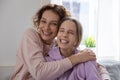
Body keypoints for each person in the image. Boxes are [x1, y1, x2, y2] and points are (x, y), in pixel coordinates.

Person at [10, 4, 96, 80]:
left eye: (53, 24)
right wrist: (77, 58)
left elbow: (91, 62)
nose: (46, 27)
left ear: (59, 27)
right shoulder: (30, 35)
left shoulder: (57, 44)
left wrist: (105, 76)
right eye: (43, 21)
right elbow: (39, 73)